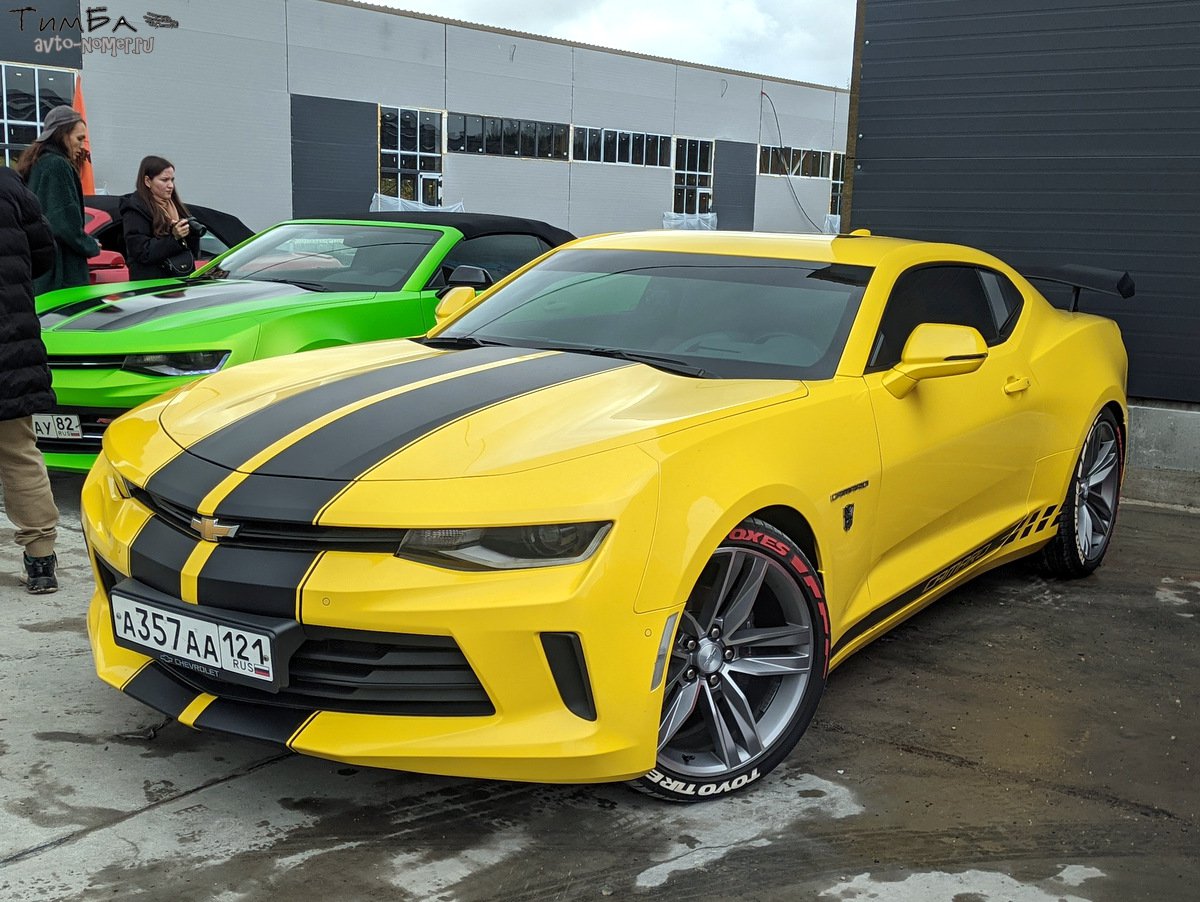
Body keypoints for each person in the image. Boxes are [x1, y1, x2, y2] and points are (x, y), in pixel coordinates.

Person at [0, 166, 61, 594]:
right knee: (19, 452)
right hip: (10, 340)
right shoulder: (9, 187)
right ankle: (41, 559)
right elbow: (44, 254)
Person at [13, 105, 100, 294]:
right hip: (61, 275)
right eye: (79, 139)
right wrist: (91, 245)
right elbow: (64, 224)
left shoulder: (38, 163)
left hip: (44, 272)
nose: (82, 146)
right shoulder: (57, 165)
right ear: (62, 135)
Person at [120, 156, 202, 281]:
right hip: (151, 284)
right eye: (164, 180)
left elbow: (192, 251)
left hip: (180, 279)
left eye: (172, 180)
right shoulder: (134, 209)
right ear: (147, 181)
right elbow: (142, 253)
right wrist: (174, 237)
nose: (171, 186)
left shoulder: (175, 206)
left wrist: (191, 234)